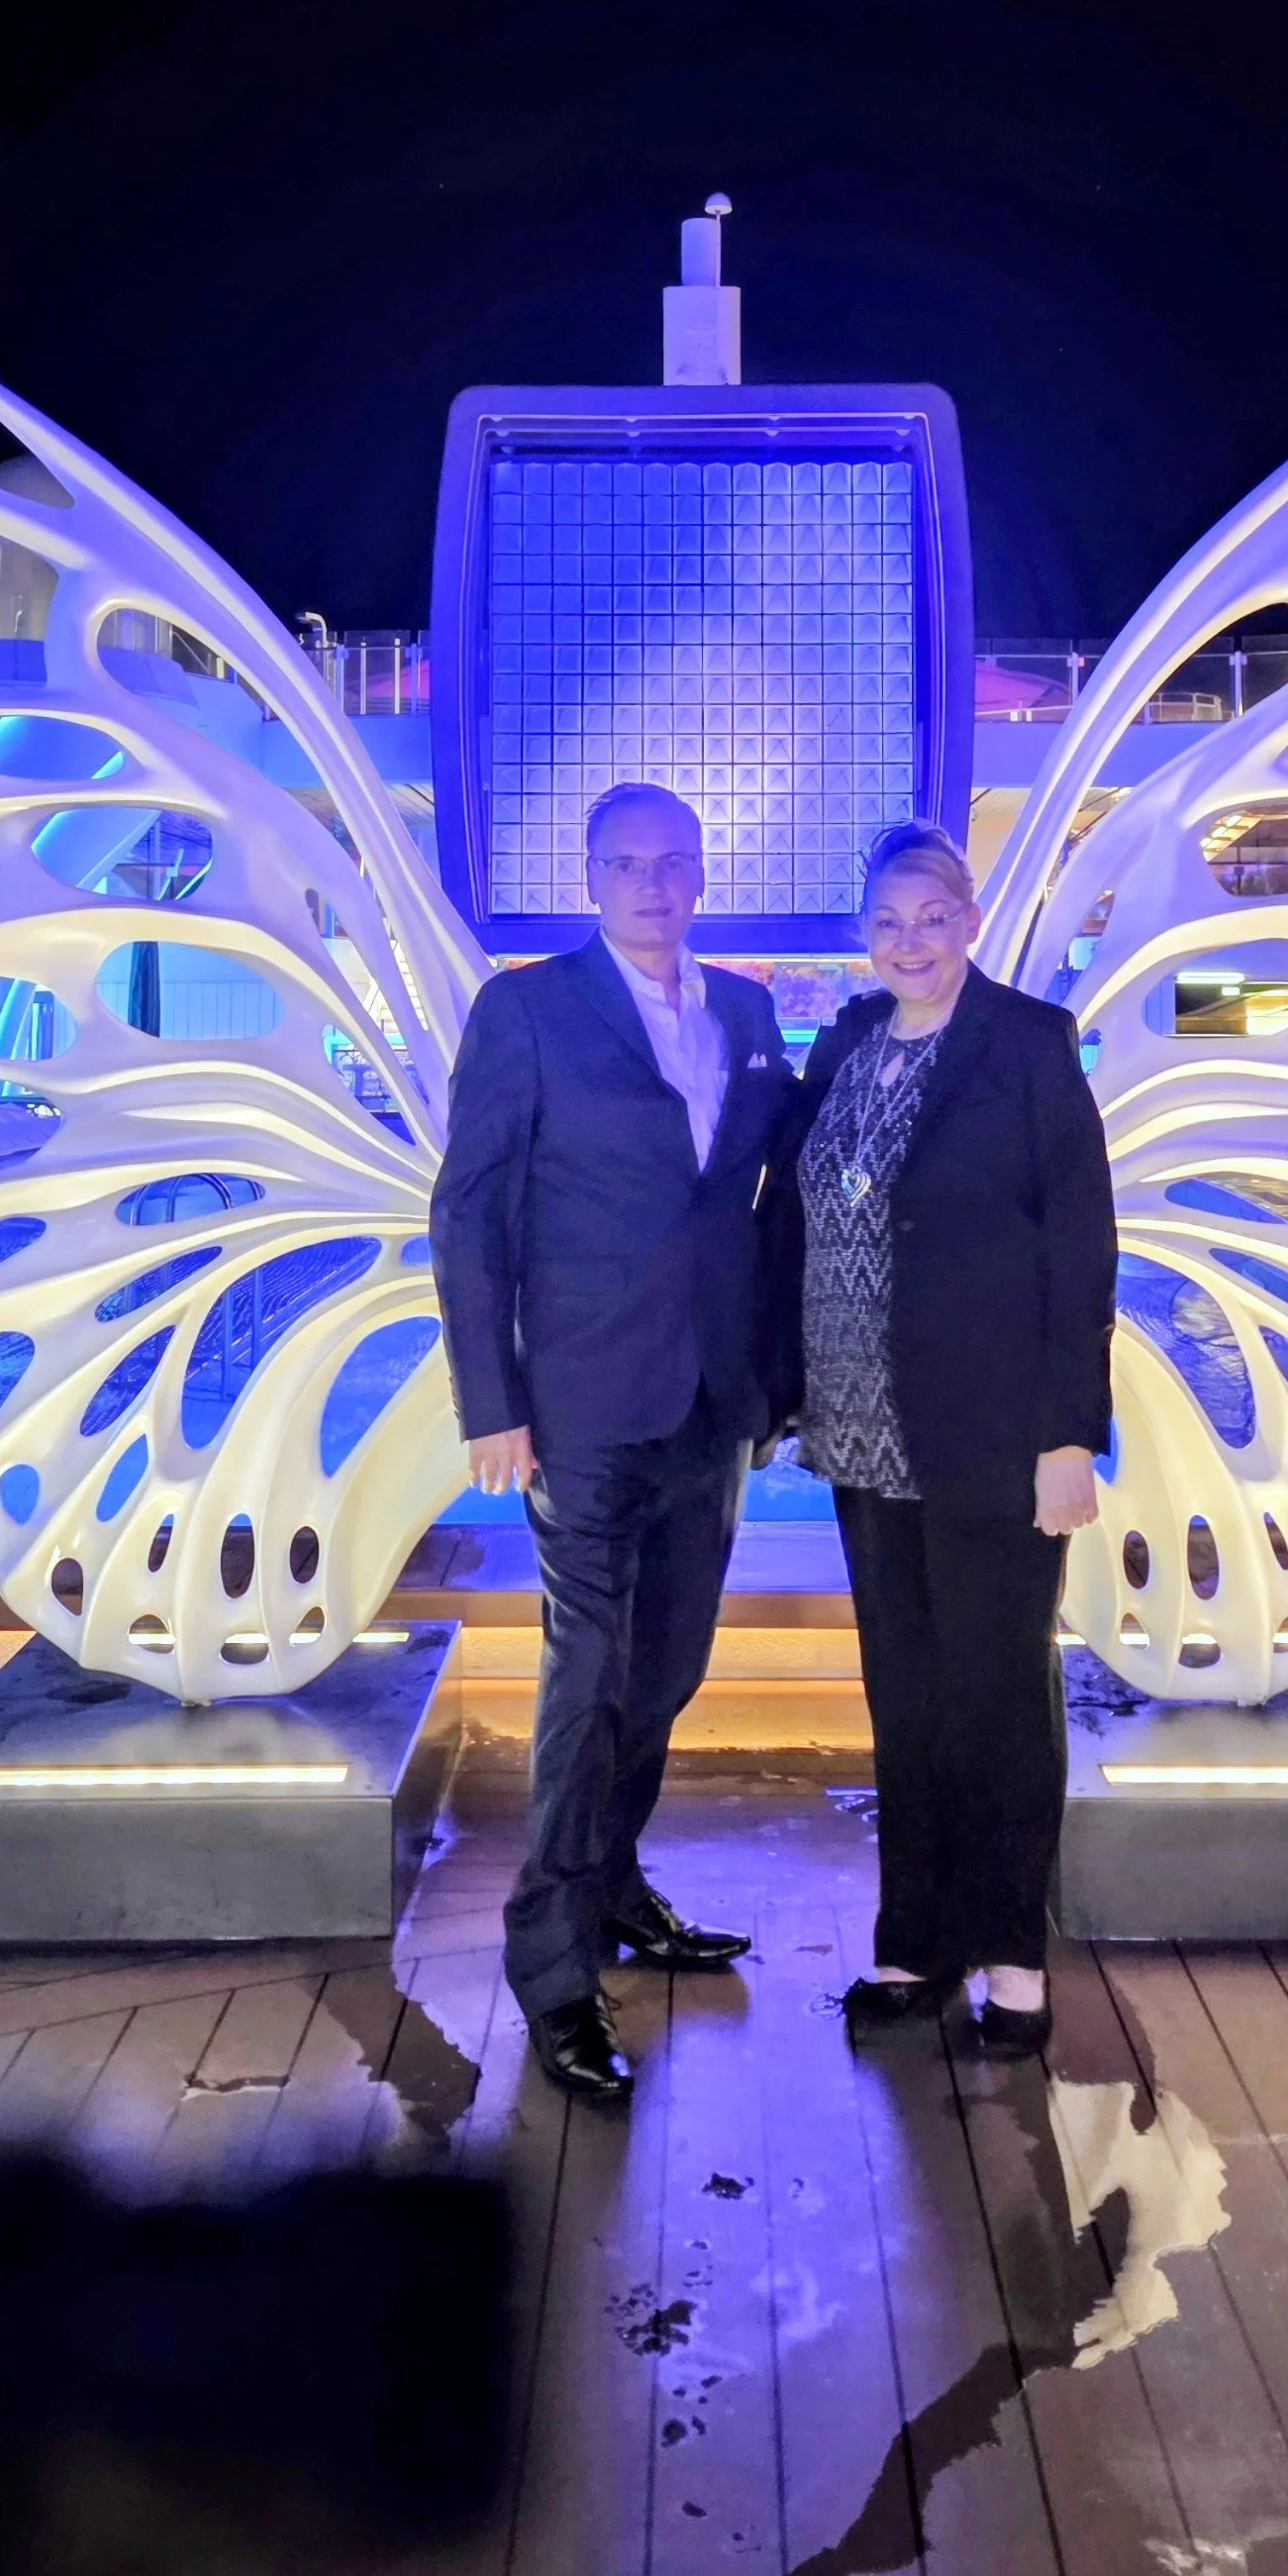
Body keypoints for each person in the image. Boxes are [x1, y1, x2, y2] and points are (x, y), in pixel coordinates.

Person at [430, 783, 797, 2105]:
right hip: (580, 1410)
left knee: (669, 1669)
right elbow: (468, 1215)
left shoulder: (749, 1015)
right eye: (627, 864)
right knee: (586, 1682)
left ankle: (620, 1882)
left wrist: (785, 1379)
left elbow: (767, 1203)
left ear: (702, 876)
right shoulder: (524, 1012)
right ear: (591, 879)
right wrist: (491, 1401)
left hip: (709, 1404)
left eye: (674, 862)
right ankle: (552, 1966)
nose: (653, 883)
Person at [763, 822, 1117, 2054]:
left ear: (968, 918)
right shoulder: (849, 1042)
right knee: (904, 1701)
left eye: (928, 915)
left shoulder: (1025, 1043)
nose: (907, 940)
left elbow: (1079, 1249)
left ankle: (1012, 1957)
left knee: (999, 1696)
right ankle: (915, 1939)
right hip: (860, 1433)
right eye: (884, 922)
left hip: (991, 1432)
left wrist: (1068, 1434)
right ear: (864, 938)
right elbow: (795, 1211)